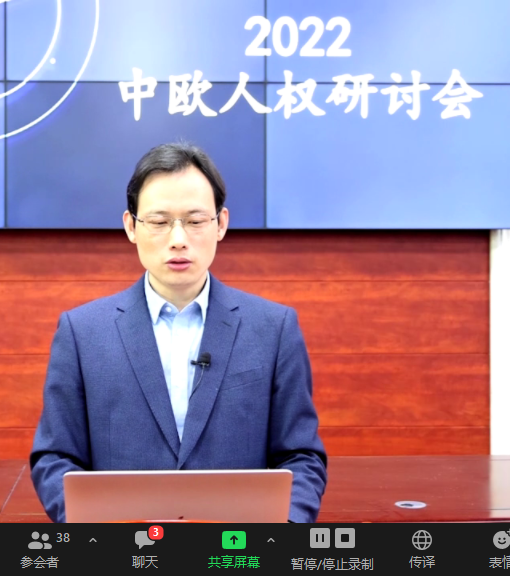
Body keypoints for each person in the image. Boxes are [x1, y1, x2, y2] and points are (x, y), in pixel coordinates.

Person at [29, 141, 327, 523]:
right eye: (159, 222)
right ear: (131, 226)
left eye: (195, 220)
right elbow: (55, 457)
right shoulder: (82, 333)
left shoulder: (274, 328)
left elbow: (301, 456)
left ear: (221, 224)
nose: (178, 239)